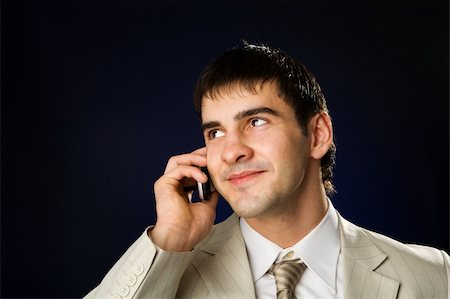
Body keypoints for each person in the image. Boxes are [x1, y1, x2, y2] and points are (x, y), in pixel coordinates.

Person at [85, 42, 449, 299]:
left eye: (256, 121)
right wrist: (169, 239)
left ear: (317, 135)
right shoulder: (169, 267)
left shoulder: (435, 276)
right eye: (215, 132)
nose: (231, 152)